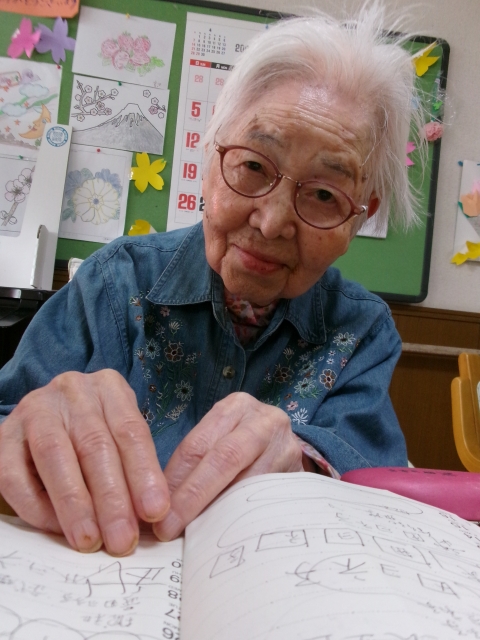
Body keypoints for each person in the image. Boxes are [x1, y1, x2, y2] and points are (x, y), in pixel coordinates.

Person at [0, 5, 421, 557]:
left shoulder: (361, 331)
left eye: (324, 194)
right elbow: (9, 421)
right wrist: (25, 432)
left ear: (359, 219)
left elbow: (373, 476)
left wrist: (304, 463)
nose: (271, 222)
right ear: (209, 156)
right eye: (253, 166)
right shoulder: (113, 282)